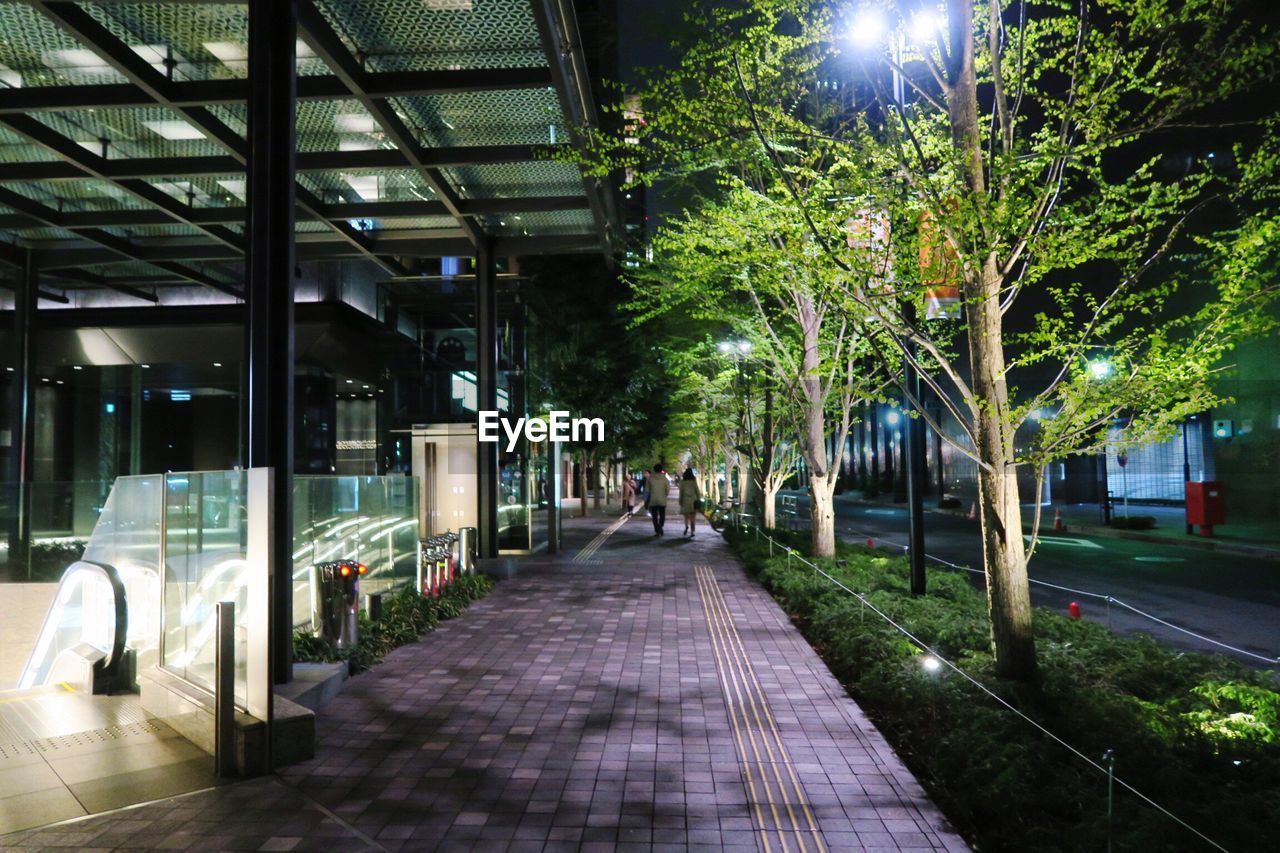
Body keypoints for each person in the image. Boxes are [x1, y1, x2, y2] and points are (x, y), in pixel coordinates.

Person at [645, 464, 670, 536]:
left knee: (654, 516)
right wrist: (665, 494)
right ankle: (660, 527)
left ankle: (657, 529)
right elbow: (667, 490)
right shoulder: (665, 479)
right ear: (661, 470)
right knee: (662, 515)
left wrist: (646, 499)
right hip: (662, 500)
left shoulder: (650, 478)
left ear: (654, 469)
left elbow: (647, 490)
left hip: (653, 499)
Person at [678, 468, 702, 537]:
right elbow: (697, 491)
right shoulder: (693, 481)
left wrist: (680, 500)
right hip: (693, 501)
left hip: (685, 500)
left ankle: (686, 526)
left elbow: (681, 492)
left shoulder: (682, 482)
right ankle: (692, 531)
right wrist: (698, 499)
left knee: (686, 516)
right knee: (693, 517)